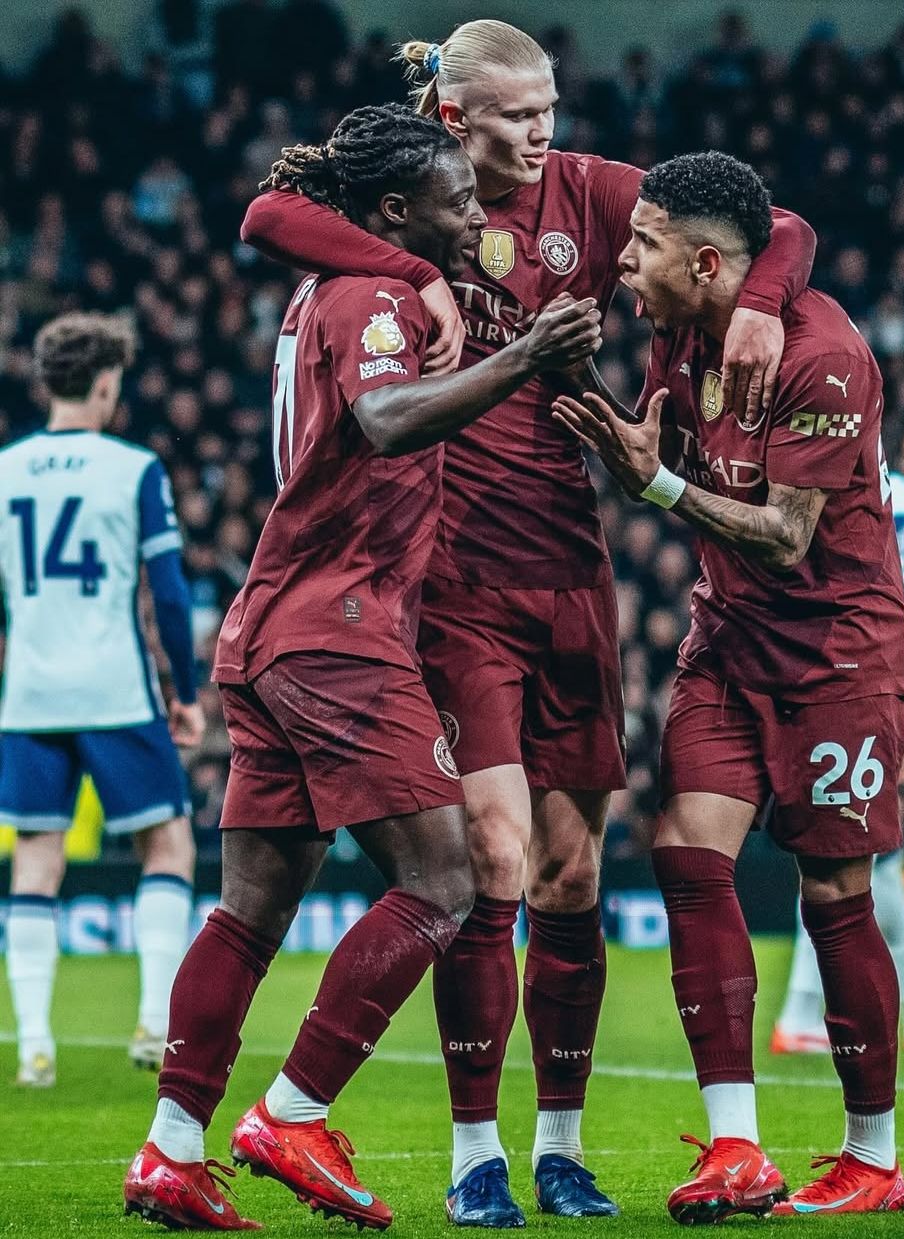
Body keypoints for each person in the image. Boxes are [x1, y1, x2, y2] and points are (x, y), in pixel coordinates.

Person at [238, 20, 817, 1224]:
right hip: (453, 581)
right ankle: (473, 1155)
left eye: (550, 105)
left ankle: (559, 1147)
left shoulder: (590, 194)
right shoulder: (414, 204)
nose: (545, 129)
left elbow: (780, 225)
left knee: (569, 870)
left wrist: (762, 303)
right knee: (493, 857)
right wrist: (416, 278)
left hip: (569, 566)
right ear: (456, 119)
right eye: (518, 113)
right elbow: (269, 215)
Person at [122, 103, 602, 1233]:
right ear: (394, 211)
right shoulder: (374, 297)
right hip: (338, 632)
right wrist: (525, 356)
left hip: (272, 624)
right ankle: (294, 1111)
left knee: (250, 911)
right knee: (443, 881)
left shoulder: (321, 291)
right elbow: (386, 420)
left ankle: (171, 1150)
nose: (476, 217)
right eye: (455, 201)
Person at [554, 150, 904, 1219]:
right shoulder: (684, 328)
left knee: (833, 894)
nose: (624, 262)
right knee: (684, 853)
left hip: (838, 653)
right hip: (727, 640)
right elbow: (777, 228)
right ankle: (737, 1147)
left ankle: (873, 1158)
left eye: (645, 246)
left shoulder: (825, 359)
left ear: (706, 264)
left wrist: (659, 483)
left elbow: (790, 537)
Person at [0, 311, 201, 1087]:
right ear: (108, 384)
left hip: (31, 697)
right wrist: (185, 692)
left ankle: (34, 1044)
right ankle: (153, 1020)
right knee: (169, 846)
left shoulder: (7, 469)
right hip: (116, 691)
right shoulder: (133, 469)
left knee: (36, 861)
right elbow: (170, 594)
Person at [772, 397, 904, 1055]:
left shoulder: (892, 499)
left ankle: (816, 1013)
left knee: (848, 849)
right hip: (844, 683)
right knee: (861, 848)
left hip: (826, 676)